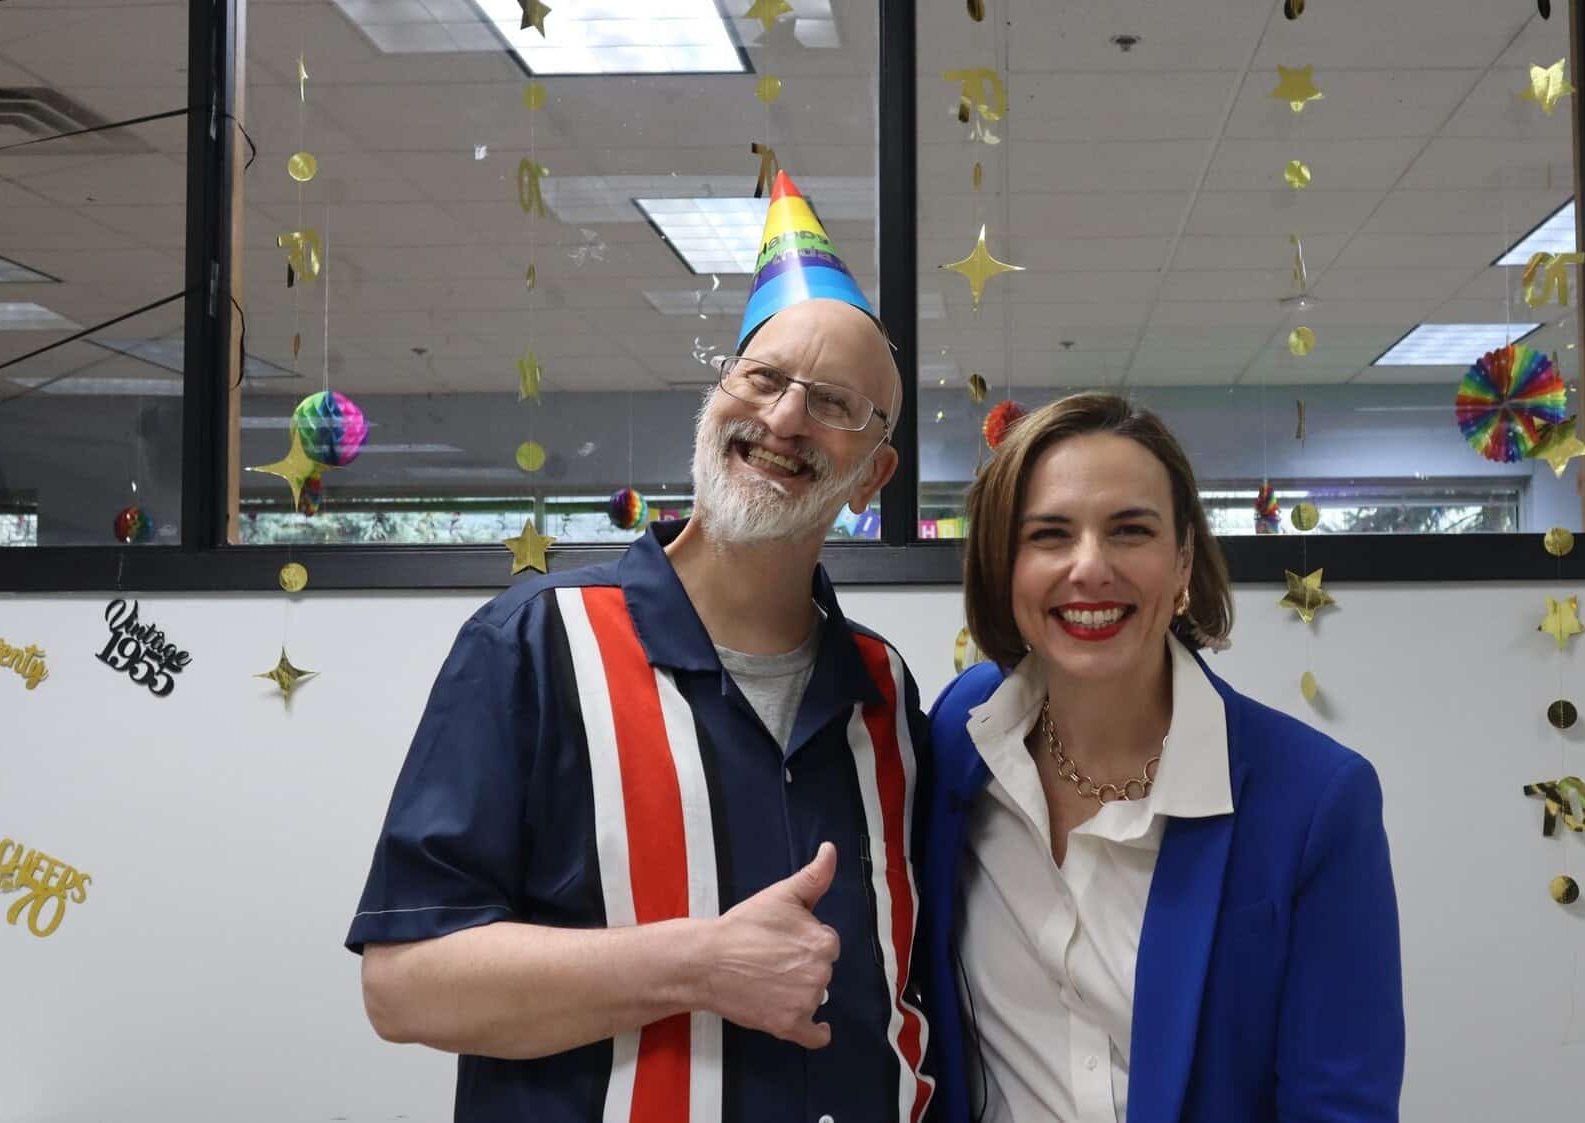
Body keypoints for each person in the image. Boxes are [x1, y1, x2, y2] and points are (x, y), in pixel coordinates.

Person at [348, 172, 935, 1123]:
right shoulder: (534, 643)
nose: (784, 418)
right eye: (765, 378)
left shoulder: (884, 690)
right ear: (718, 397)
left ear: (873, 475)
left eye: (831, 402)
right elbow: (406, 983)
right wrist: (700, 963)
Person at [921, 393, 1404, 1122]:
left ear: (1182, 563)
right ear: (1003, 567)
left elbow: (1340, 1106)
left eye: (1129, 530)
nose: (1090, 568)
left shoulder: (1314, 801)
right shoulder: (961, 737)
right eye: (1049, 534)